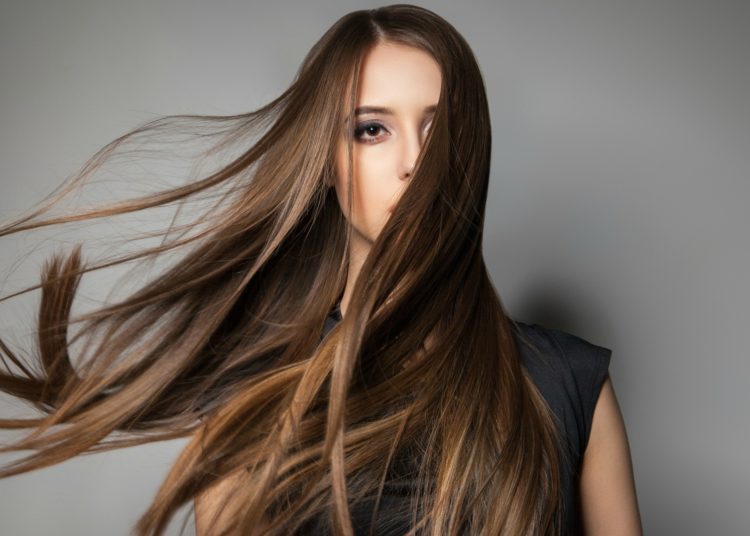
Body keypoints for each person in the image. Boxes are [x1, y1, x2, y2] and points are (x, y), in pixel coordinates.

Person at [0, 4, 642, 535]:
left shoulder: (570, 382)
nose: (415, 163)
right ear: (328, 162)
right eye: (371, 130)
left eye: (439, 129)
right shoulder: (254, 391)